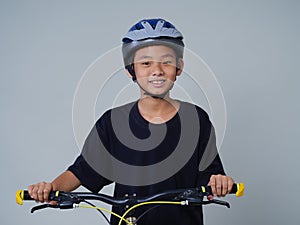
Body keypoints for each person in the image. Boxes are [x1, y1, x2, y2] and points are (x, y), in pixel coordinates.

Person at [28, 18, 234, 225]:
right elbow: (82, 171)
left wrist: (219, 182)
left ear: (179, 68)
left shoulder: (196, 119)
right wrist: (50, 188)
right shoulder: (112, 122)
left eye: (167, 62)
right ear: (130, 70)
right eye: (146, 63)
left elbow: (210, 175)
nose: (157, 70)